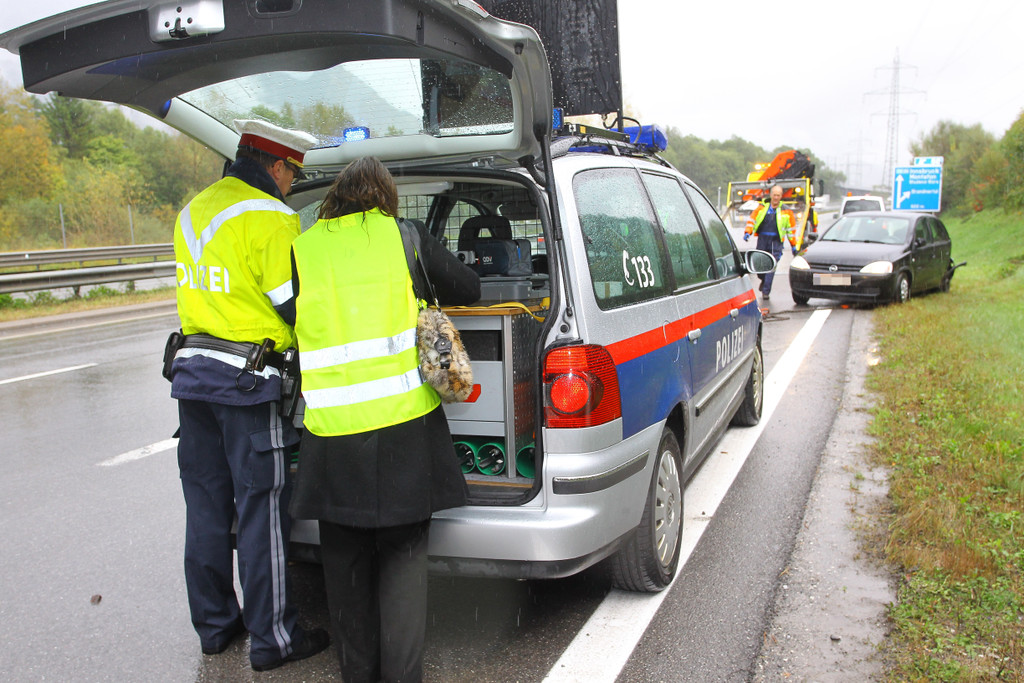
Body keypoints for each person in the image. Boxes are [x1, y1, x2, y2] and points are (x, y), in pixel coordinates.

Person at [285, 156, 480, 683]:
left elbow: (288, 315)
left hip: (331, 442)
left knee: (344, 575)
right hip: (404, 438)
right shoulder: (406, 237)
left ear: (336, 197)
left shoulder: (305, 249)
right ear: (386, 196)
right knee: (402, 570)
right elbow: (467, 287)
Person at [166, 118, 330, 671]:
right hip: (249, 385)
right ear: (279, 165)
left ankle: (215, 627)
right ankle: (274, 640)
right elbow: (295, 306)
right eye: (295, 172)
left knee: (208, 510)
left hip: (193, 380)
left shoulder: (195, 208)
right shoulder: (272, 219)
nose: (292, 183)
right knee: (262, 514)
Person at [743, 183, 797, 299]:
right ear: (771, 195)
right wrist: (748, 232)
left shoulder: (786, 211)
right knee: (760, 265)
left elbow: (791, 230)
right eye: (774, 195)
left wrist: (793, 245)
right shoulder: (761, 208)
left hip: (776, 242)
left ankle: (766, 291)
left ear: (781, 196)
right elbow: (752, 220)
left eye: (778, 195)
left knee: (771, 266)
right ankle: (763, 279)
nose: (776, 197)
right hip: (763, 239)